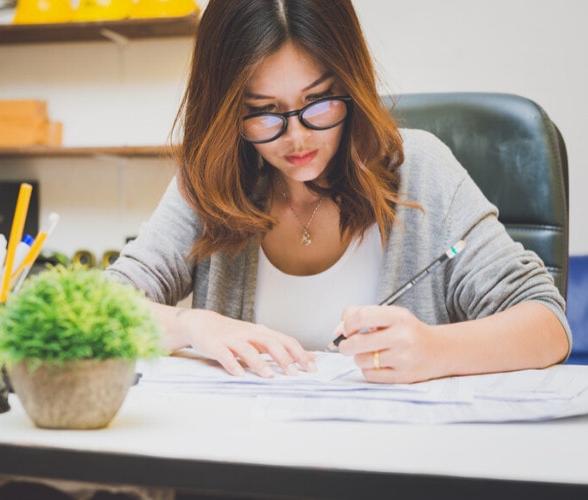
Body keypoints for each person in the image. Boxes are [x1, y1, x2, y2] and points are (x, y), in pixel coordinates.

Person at [106, 0, 571, 383]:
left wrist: (434, 349)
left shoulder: (419, 169)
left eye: (319, 101)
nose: (298, 138)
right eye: (265, 111)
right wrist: (190, 325)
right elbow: (103, 306)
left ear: (351, 84)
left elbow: (547, 324)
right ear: (226, 110)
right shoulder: (211, 182)